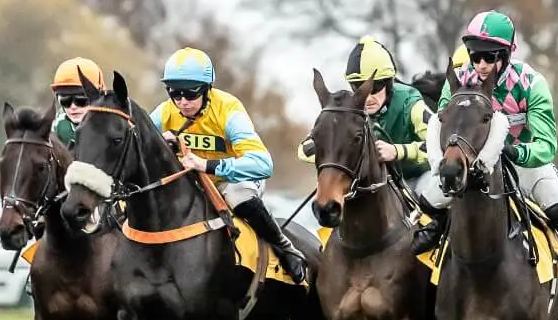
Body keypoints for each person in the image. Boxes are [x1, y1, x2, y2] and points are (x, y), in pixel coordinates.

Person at [415, 10, 558, 262]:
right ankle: (438, 226)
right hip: (470, 162)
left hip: (521, 162)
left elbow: (546, 146)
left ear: (508, 53)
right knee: (428, 202)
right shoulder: (459, 78)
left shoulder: (531, 83)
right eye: (475, 56)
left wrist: (514, 152)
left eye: (489, 56)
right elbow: (442, 123)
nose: (481, 64)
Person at [152, 46, 305, 280]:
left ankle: (285, 248)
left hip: (232, 182)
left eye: (191, 94)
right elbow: (137, 144)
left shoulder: (228, 110)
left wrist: (208, 165)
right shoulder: (165, 112)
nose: (182, 102)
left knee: (238, 195)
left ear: (207, 90)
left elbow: (263, 164)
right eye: (175, 93)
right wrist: (159, 145)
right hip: (192, 184)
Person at [343, 36, 431, 183]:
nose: (368, 98)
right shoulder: (346, 111)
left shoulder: (409, 102)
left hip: (417, 179)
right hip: (372, 184)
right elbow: (305, 149)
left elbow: (441, 144)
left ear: (389, 84)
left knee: (437, 195)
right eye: (360, 88)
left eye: (376, 86)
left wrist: (398, 151)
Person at [48, 56, 104, 150]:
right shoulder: (55, 128)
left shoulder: (114, 128)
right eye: (65, 101)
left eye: (81, 100)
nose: (73, 107)